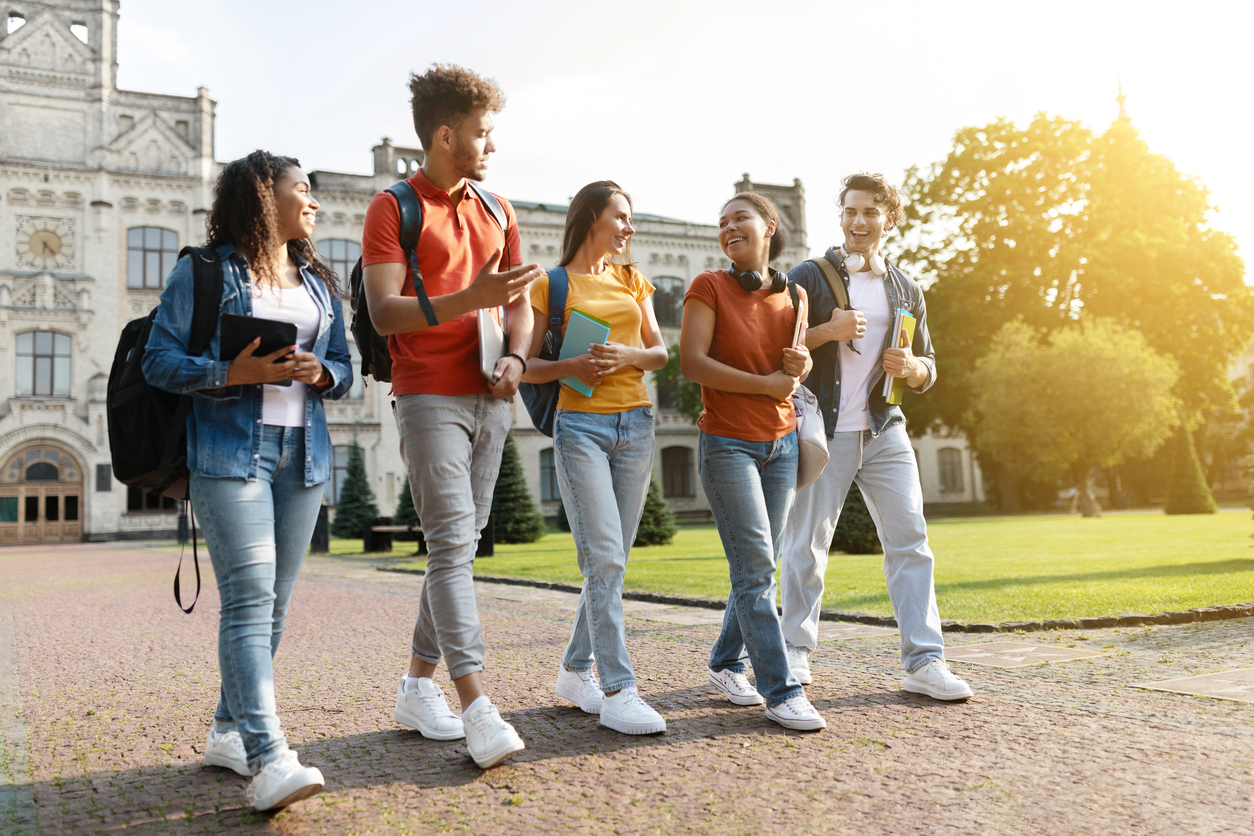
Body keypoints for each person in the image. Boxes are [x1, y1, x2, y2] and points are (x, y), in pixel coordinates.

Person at [143, 151, 354, 810]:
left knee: (274, 607)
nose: (313, 201)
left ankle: (228, 730)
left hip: (305, 458)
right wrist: (233, 373)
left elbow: (344, 367)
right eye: (302, 190)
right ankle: (269, 759)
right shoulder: (204, 271)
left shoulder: (318, 281)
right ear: (265, 197)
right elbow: (158, 359)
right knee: (249, 598)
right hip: (232, 453)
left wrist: (321, 374)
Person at [361, 64, 543, 769]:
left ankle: (415, 686)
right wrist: (474, 298)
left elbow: (519, 302)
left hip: (492, 395)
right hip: (427, 391)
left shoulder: (498, 209)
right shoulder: (393, 207)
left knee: (458, 549)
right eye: (482, 133)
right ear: (446, 135)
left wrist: (519, 360)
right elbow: (384, 311)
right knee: (448, 546)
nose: (491, 146)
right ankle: (476, 704)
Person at [779, 172, 973, 701]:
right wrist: (827, 332)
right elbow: (776, 347)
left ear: (889, 218)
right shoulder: (808, 276)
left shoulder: (907, 286)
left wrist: (913, 368)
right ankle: (794, 651)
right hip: (827, 429)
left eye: (869, 212)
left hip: (886, 428)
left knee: (911, 543)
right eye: (849, 211)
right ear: (840, 217)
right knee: (807, 546)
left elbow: (929, 363)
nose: (858, 221)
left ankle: (924, 661)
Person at [521, 181, 669, 735]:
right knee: (603, 557)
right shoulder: (550, 284)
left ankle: (573, 668)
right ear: (591, 218)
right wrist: (574, 366)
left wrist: (629, 354)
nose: (629, 228)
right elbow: (527, 365)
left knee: (613, 560)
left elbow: (658, 352)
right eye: (620, 217)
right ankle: (619, 688)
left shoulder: (633, 280)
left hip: (637, 424)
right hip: (578, 425)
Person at [680, 192, 826, 731]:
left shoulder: (796, 297)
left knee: (756, 567)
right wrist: (767, 383)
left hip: (783, 443)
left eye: (739, 217)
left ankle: (724, 663)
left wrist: (801, 362)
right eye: (721, 223)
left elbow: (794, 367)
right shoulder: (709, 286)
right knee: (759, 567)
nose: (728, 227)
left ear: (770, 226)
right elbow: (693, 362)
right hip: (728, 444)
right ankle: (781, 689)